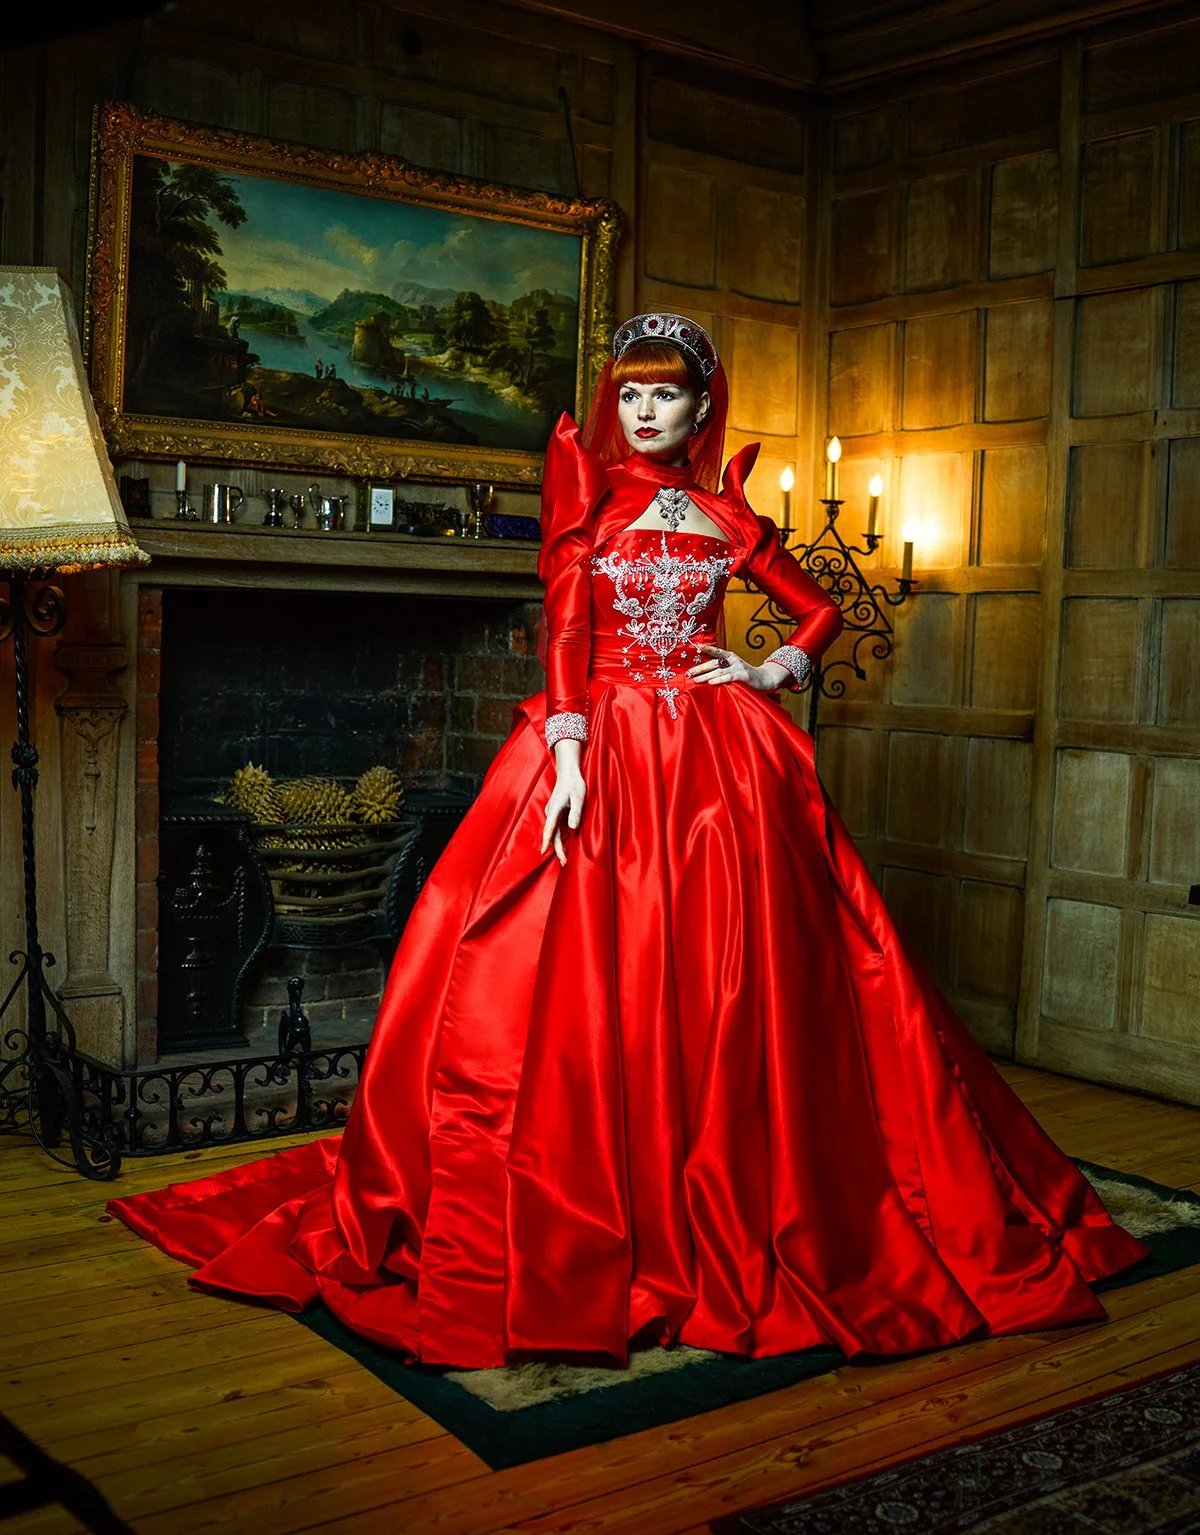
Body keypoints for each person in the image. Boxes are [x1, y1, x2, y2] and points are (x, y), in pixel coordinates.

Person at [109, 311, 1150, 1370]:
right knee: (560, 969)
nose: (643, 410)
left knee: (737, 975)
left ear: (703, 408)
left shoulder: (726, 513)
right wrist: (565, 753)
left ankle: (729, 1184)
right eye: (629, 394)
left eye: (665, 394)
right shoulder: (588, 495)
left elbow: (818, 610)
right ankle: (602, 1184)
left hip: (716, 759)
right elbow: (565, 625)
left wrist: (763, 670)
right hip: (598, 743)